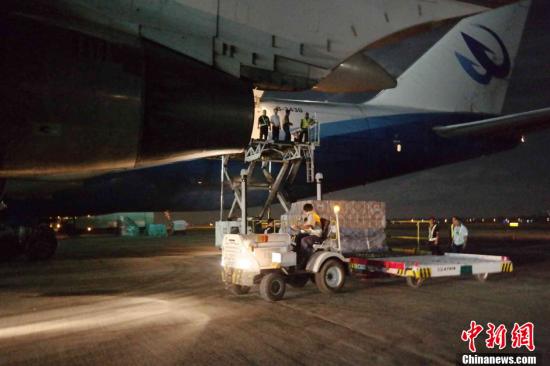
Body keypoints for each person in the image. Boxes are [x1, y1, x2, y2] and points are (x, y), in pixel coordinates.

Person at [291, 203, 322, 269]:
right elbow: (306, 228)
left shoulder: (312, 215)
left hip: (316, 235)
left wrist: (298, 226)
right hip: (312, 233)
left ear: (305, 210)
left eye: (303, 211)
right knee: (299, 236)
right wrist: (298, 227)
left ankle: (304, 260)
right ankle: (297, 255)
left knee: (303, 240)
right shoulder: (310, 216)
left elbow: (309, 226)